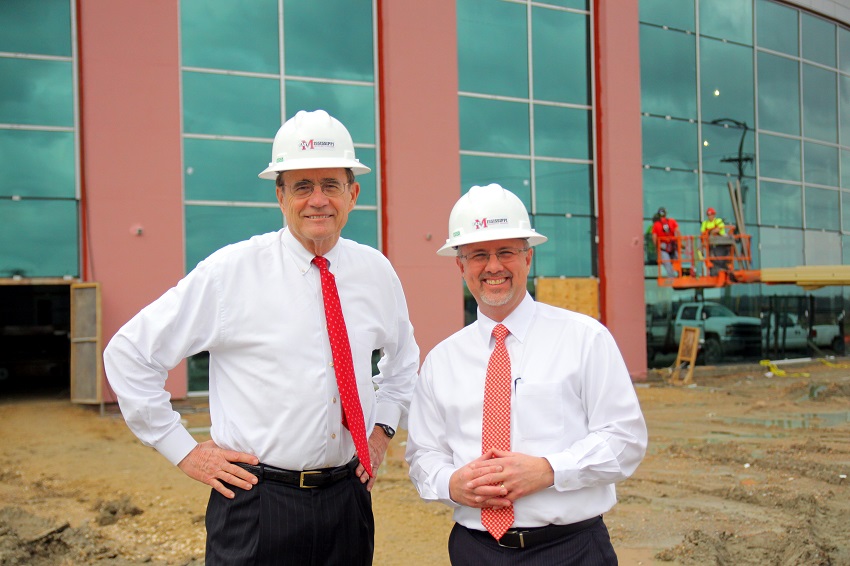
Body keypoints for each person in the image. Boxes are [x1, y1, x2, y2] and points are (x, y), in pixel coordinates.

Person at [103, 109, 420, 565]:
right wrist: (185, 452)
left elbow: (404, 361)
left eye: (330, 185)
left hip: (347, 500)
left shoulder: (375, 272)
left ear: (353, 194)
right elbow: (130, 354)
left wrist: (383, 429)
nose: (318, 200)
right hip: (257, 503)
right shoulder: (231, 273)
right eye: (301, 186)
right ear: (280, 196)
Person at [405, 184, 648, 565]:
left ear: (528, 258)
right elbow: (424, 455)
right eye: (478, 255)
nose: (494, 266)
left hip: (571, 550)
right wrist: (451, 484)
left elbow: (625, 439)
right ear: (460, 265)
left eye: (506, 252)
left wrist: (549, 470)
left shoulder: (585, 339)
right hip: (475, 551)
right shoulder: (441, 361)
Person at [651, 206, 681, 277]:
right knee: (677, 260)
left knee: (666, 263)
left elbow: (654, 237)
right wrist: (678, 243)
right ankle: (679, 274)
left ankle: (672, 277)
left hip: (663, 246)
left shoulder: (656, 225)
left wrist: (656, 248)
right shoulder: (672, 221)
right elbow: (678, 232)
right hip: (672, 244)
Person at [700, 207, 729, 275]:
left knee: (723, 254)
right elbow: (703, 232)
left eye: (711, 215)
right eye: (709, 215)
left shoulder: (718, 221)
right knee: (710, 255)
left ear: (714, 215)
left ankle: (725, 266)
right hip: (711, 241)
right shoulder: (705, 223)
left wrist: (711, 232)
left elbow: (718, 229)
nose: (710, 216)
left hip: (721, 240)